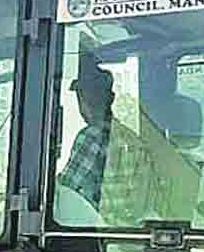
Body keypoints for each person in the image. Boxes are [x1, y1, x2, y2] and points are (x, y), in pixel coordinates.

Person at [57, 57, 146, 222]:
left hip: (98, 231)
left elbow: (66, 190)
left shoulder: (92, 136)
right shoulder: (130, 138)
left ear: (81, 99)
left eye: (83, 96)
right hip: (124, 231)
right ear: (111, 98)